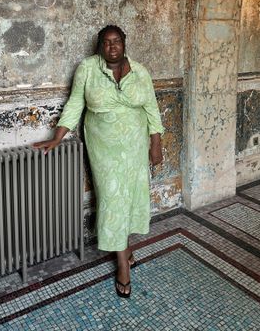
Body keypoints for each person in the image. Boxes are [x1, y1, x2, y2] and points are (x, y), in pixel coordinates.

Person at [34, 25, 164, 298]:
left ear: (124, 43)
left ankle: (125, 248)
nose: (111, 47)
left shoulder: (140, 72)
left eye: (116, 41)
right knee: (112, 199)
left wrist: (156, 144)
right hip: (104, 148)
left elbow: (152, 108)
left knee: (128, 198)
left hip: (135, 147)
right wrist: (57, 137)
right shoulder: (88, 69)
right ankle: (122, 265)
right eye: (106, 42)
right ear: (99, 46)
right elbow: (74, 105)